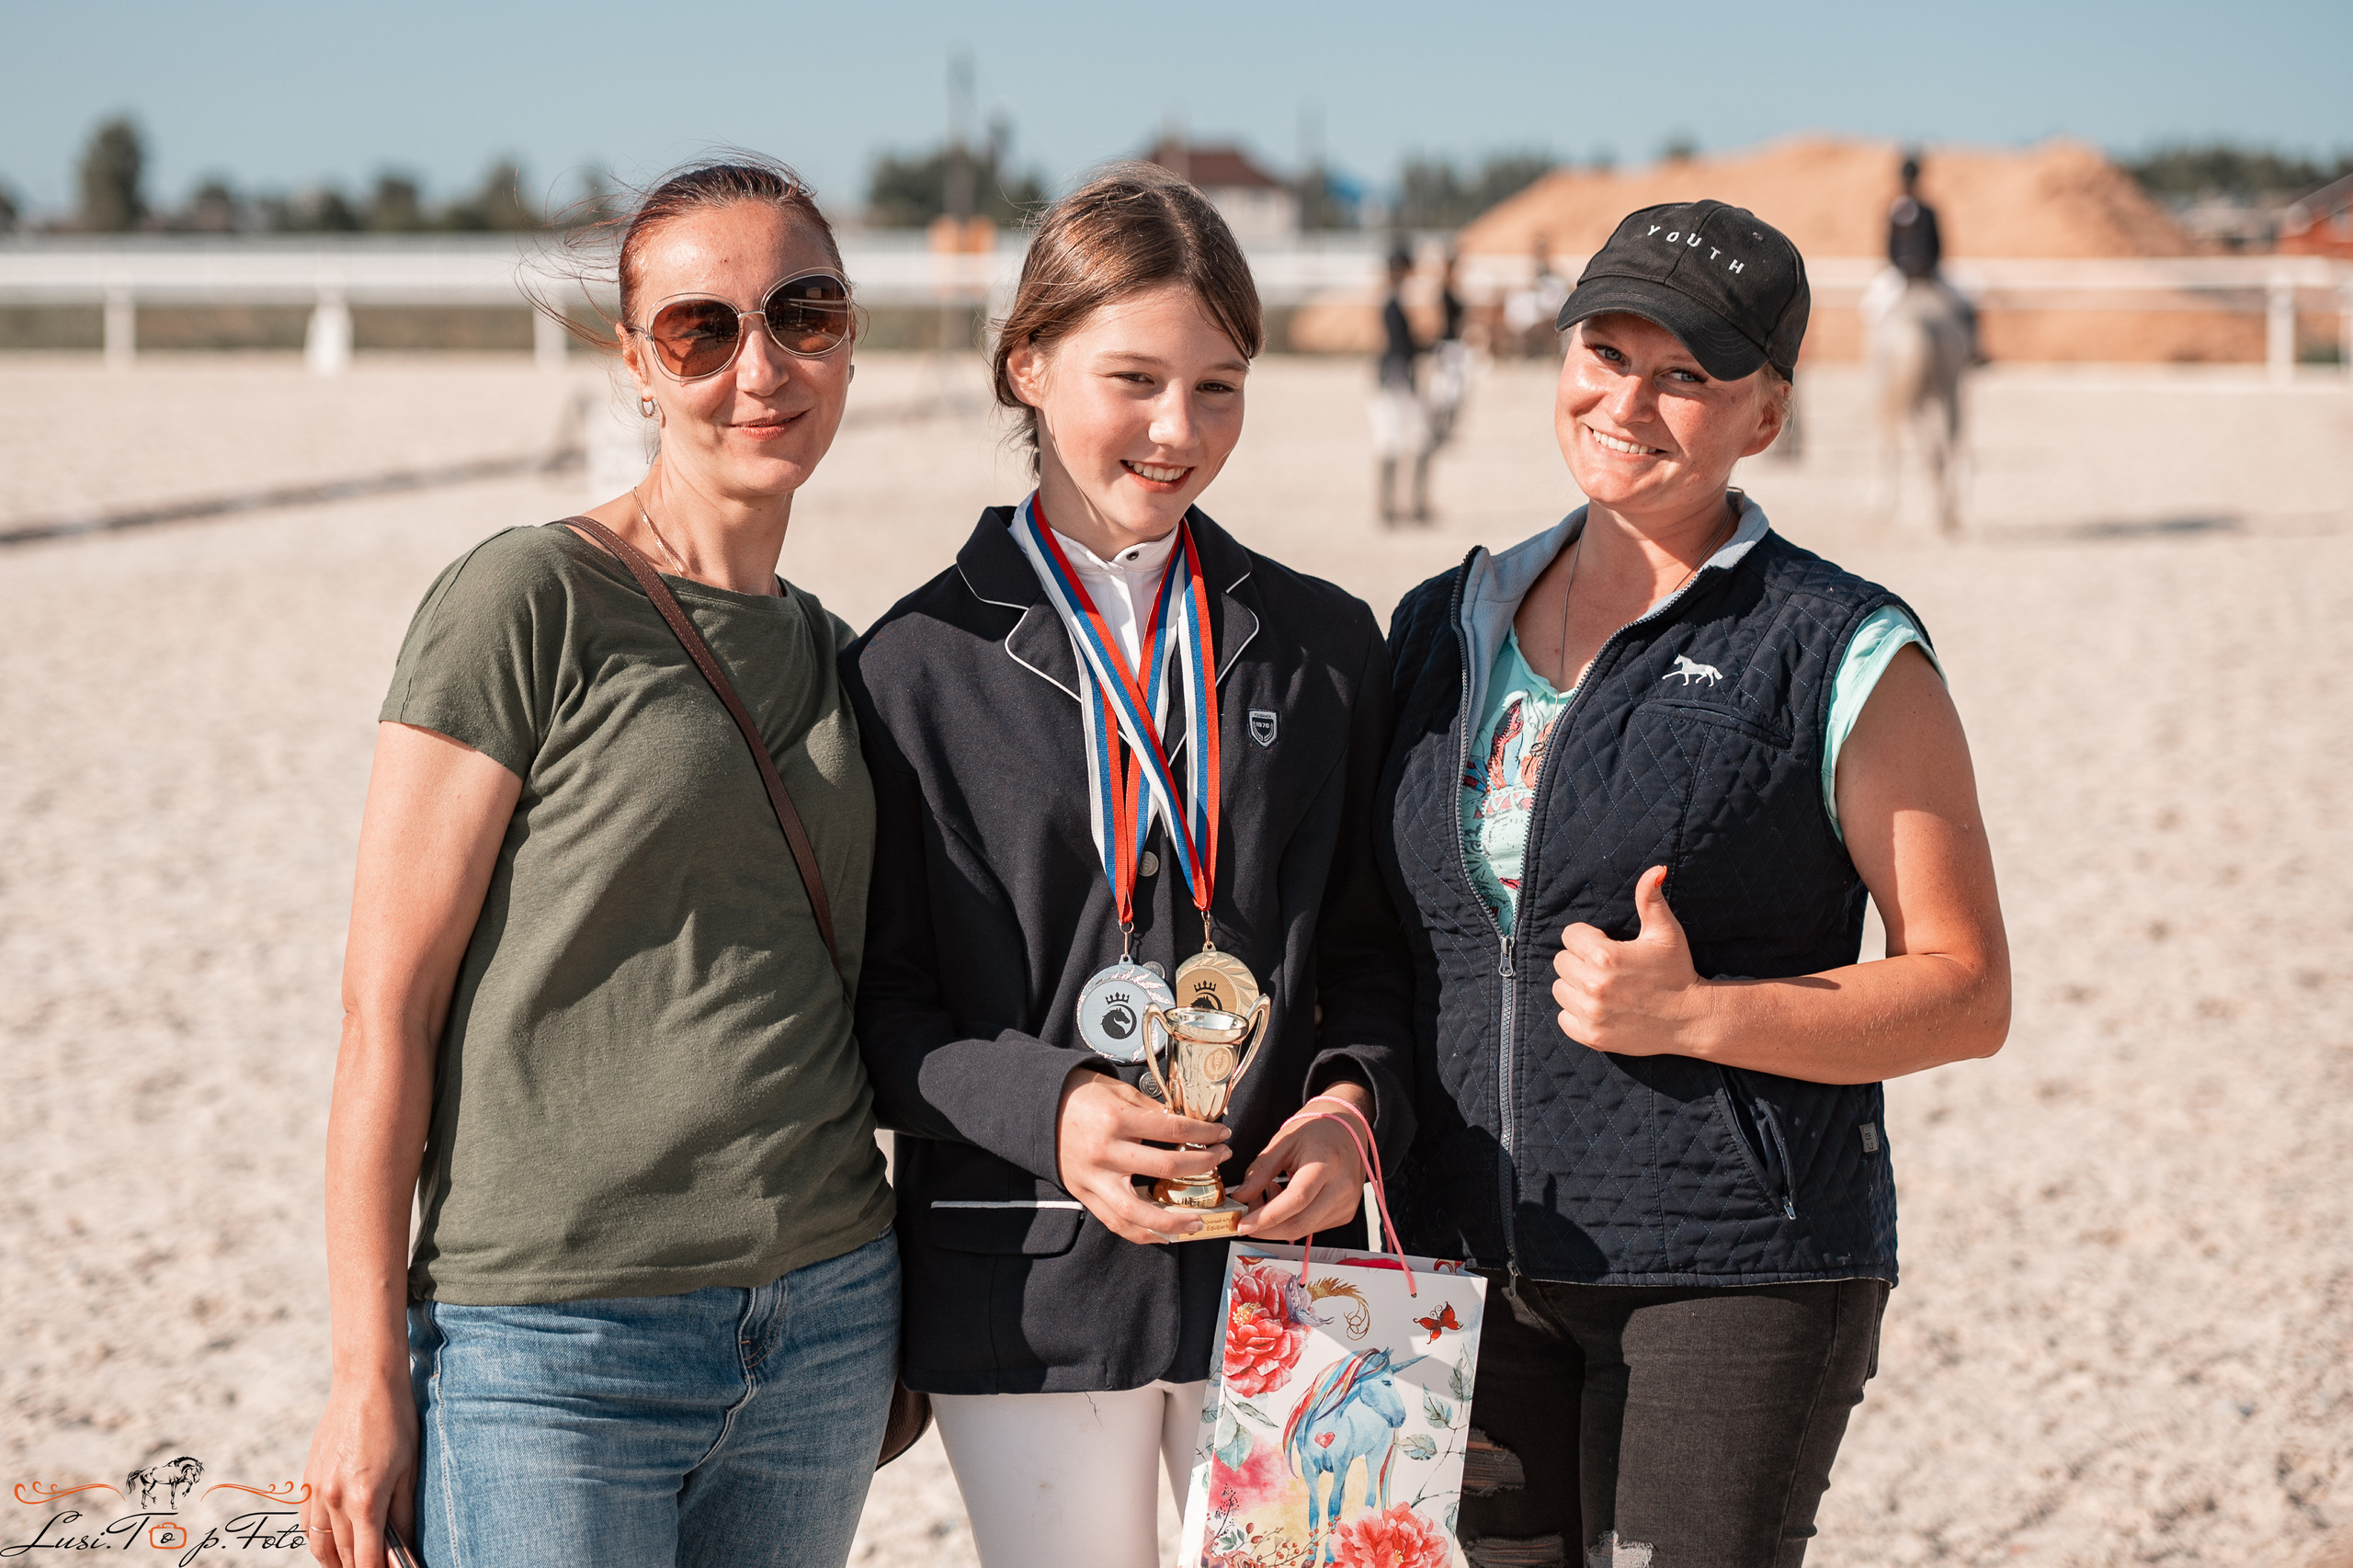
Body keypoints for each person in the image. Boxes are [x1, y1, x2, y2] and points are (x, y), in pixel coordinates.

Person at [1378, 199, 2010, 1565]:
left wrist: (1703, 1013)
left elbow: (1965, 990)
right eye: (1606, 352)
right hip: (1460, 1256)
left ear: (1765, 415)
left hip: (1733, 1261)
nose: (1630, 400)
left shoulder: (1842, 646)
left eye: (1687, 377)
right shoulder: (1440, 620)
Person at [300, 159, 899, 1568]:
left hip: (823, 1322)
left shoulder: (842, 654)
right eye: (703, 329)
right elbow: (384, 1007)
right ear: (636, 363)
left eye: (804, 313)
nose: (762, 365)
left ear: (848, 338)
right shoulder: (526, 600)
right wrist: (363, 1368)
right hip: (548, 1344)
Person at [843, 164, 1415, 1568]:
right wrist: (1054, 1112)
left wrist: (1353, 1116)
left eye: (1219, 386)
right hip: (1021, 1269)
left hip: (1296, 1271)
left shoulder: (1324, 643)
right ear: (1027, 364)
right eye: (1135, 379)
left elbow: (1378, 963)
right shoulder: (910, 665)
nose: (1177, 431)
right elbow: (878, 1010)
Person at [1886, 152, 1983, 362]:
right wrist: (1903, 267)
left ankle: (1973, 350)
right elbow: (1889, 247)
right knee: (1872, 309)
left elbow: (1938, 245)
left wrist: (1927, 267)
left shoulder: (1928, 210)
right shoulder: (1894, 211)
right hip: (1900, 277)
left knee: (1966, 304)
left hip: (1930, 275)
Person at [1370, 245, 1432, 524]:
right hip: (1398, 378)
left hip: (1391, 375)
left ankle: (1392, 507)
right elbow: (1401, 345)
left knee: (1394, 441)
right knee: (1407, 439)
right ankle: (1408, 506)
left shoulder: (1390, 300)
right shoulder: (1394, 303)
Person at [1424, 250, 1472, 451]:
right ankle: (1438, 431)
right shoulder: (1445, 291)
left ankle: (1443, 430)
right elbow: (1440, 321)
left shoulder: (1452, 290)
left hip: (1454, 343)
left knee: (1454, 390)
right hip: (1448, 344)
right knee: (1447, 390)